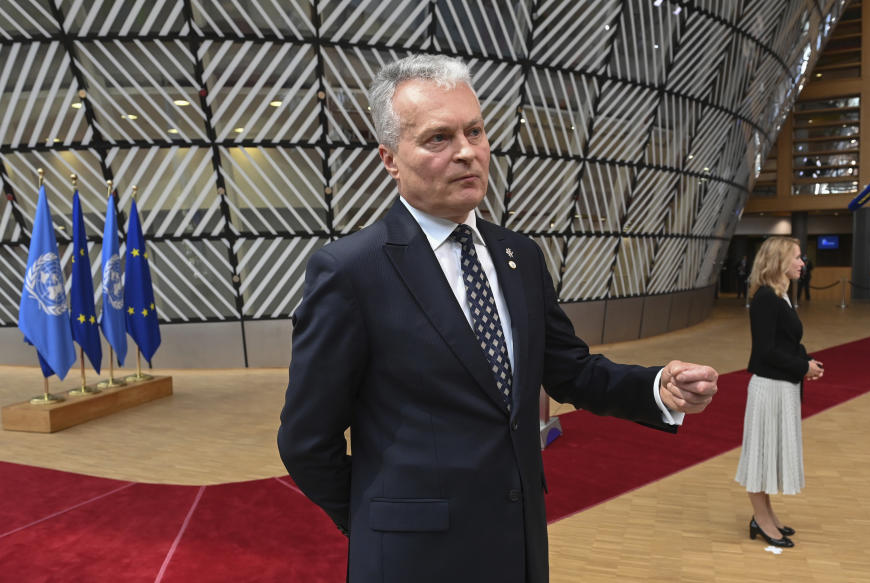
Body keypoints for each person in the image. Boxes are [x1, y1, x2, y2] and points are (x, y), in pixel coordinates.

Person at [277, 54, 719, 583]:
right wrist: (377, 522)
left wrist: (655, 389)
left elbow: (568, 370)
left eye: (475, 130)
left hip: (519, 544)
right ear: (390, 159)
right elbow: (306, 440)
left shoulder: (519, 256)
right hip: (411, 562)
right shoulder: (350, 271)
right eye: (439, 138)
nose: (467, 152)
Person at [735, 236, 824, 548]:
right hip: (769, 388)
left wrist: (805, 360)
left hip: (781, 387)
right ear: (779, 261)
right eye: (797, 257)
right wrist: (802, 368)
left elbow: (786, 343)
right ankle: (761, 520)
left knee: (769, 453)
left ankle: (766, 516)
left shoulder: (781, 295)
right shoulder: (766, 299)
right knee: (760, 455)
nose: (803, 263)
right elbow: (766, 352)